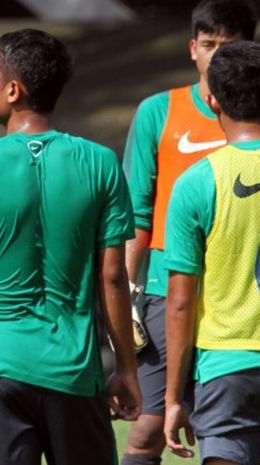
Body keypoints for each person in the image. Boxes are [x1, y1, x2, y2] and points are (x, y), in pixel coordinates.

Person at [0, 28, 141, 465]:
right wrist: (127, 367)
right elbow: (114, 276)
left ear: (12, 88)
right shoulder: (101, 162)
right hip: (75, 371)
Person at [122, 2, 257, 463]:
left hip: (237, 294)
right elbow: (136, 213)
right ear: (192, 49)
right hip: (167, 288)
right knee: (147, 427)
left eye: (230, 44)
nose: (218, 55)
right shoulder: (158, 111)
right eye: (209, 44)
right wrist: (127, 291)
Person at [164, 40, 260, 465]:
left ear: (212, 99)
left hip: (225, 365)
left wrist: (172, 398)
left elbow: (180, 302)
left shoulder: (196, 182)